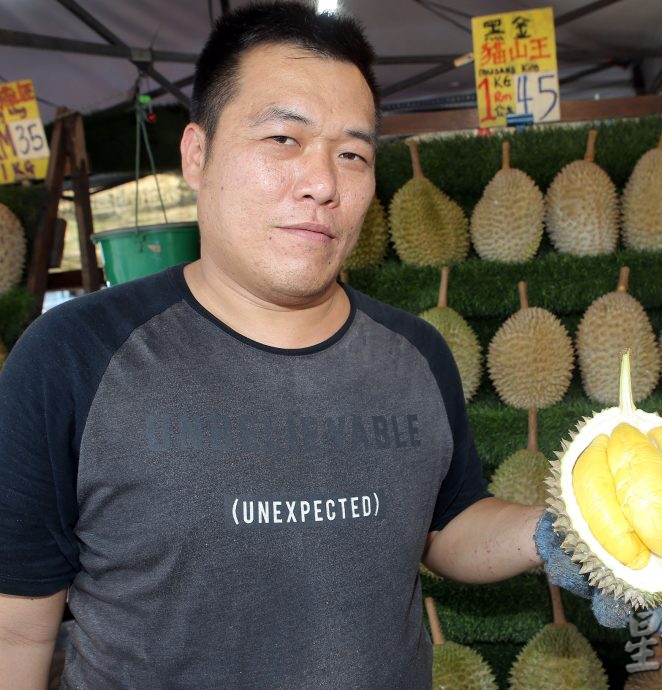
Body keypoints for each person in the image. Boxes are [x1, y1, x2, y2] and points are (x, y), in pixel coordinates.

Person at [0, 4, 545, 688]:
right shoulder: (70, 358)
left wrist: (555, 535)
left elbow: (448, 526)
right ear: (196, 155)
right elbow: (17, 627)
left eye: (353, 154)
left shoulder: (417, 355)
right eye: (284, 139)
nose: (323, 183)